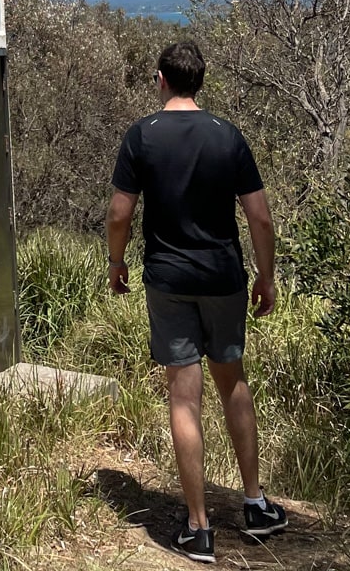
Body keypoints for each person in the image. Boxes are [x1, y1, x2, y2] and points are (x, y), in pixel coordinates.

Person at [105, 39, 288, 564]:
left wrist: (116, 264)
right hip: (223, 278)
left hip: (167, 279)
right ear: (199, 81)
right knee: (233, 382)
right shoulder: (227, 136)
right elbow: (260, 218)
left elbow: (120, 214)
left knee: (183, 397)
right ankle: (255, 506)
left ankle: (198, 527)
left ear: (161, 79)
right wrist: (266, 276)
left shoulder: (142, 136)